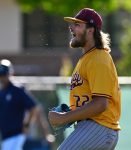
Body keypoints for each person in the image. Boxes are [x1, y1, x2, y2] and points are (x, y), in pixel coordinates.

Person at [49, 8, 121, 150]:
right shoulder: (88, 58)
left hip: (99, 127)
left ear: (90, 30)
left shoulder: (99, 58)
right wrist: (70, 112)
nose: (71, 28)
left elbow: (101, 104)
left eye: (77, 25)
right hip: (95, 128)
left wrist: (65, 117)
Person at [0, 59, 37, 150]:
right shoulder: (2, 92)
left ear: (10, 73)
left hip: (17, 136)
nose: (2, 78)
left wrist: (26, 125)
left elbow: (33, 108)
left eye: (4, 75)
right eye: (1, 75)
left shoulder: (17, 90)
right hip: (5, 136)